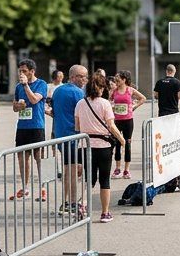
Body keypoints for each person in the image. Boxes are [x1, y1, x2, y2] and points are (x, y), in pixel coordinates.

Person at [75, 74, 126, 222]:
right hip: (103, 146)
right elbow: (111, 125)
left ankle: (83, 204)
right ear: (102, 88)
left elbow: (77, 127)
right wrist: (122, 140)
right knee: (104, 180)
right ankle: (105, 213)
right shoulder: (105, 104)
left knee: (88, 179)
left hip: (85, 145)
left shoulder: (80, 104)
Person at [49, 66, 88, 214]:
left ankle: (65, 202)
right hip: (74, 136)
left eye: (85, 76)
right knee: (73, 170)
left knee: (67, 169)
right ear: (72, 77)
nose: (84, 79)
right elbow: (84, 114)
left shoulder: (58, 91)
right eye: (81, 76)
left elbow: (54, 111)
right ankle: (72, 202)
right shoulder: (78, 93)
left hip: (60, 135)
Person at [10, 60, 50, 193]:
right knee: (22, 158)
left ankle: (43, 187)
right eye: (20, 71)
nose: (21, 73)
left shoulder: (41, 84)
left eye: (24, 71)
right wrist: (18, 106)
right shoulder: (18, 87)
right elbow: (14, 107)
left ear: (32, 71)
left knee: (39, 158)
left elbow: (34, 99)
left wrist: (26, 85)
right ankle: (25, 187)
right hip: (22, 126)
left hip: (36, 126)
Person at [110, 71, 147, 178]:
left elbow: (143, 98)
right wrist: (112, 107)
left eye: (118, 78)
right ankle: (117, 169)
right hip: (117, 120)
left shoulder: (130, 90)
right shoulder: (114, 91)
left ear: (124, 79)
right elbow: (108, 101)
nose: (116, 80)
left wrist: (134, 107)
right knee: (117, 144)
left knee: (127, 144)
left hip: (128, 120)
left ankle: (126, 170)